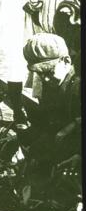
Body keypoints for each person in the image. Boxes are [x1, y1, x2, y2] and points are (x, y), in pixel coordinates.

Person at [20, 34, 80, 174]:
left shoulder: (77, 87)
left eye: (49, 71)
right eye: (39, 74)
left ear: (66, 61)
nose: (45, 78)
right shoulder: (49, 84)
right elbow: (50, 122)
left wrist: (79, 154)